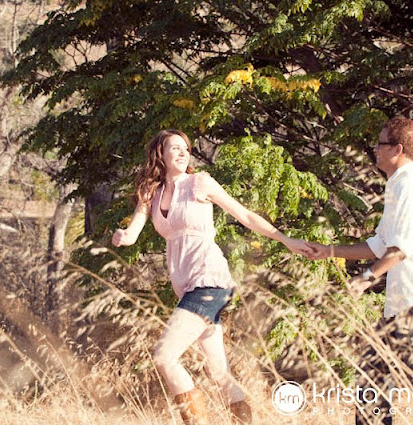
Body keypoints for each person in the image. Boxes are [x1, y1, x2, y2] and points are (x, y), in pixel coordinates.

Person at [112, 129, 311, 425]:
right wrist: (122, 236)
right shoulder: (151, 193)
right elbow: (132, 233)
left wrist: (285, 239)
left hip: (209, 280)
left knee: (164, 356)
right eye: (174, 148)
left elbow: (245, 215)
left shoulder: (199, 183)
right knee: (218, 373)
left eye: (185, 148)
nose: (183, 152)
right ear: (160, 155)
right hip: (186, 286)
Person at [306, 117, 413, 425]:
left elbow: (400, 249)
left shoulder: (411, 186)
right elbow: (380, 245)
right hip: (401, 307)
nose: (375, 149)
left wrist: (366, 278)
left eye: (380, 144)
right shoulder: (397, 186)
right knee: (371, 384)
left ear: (397, 149)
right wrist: (328, 252)